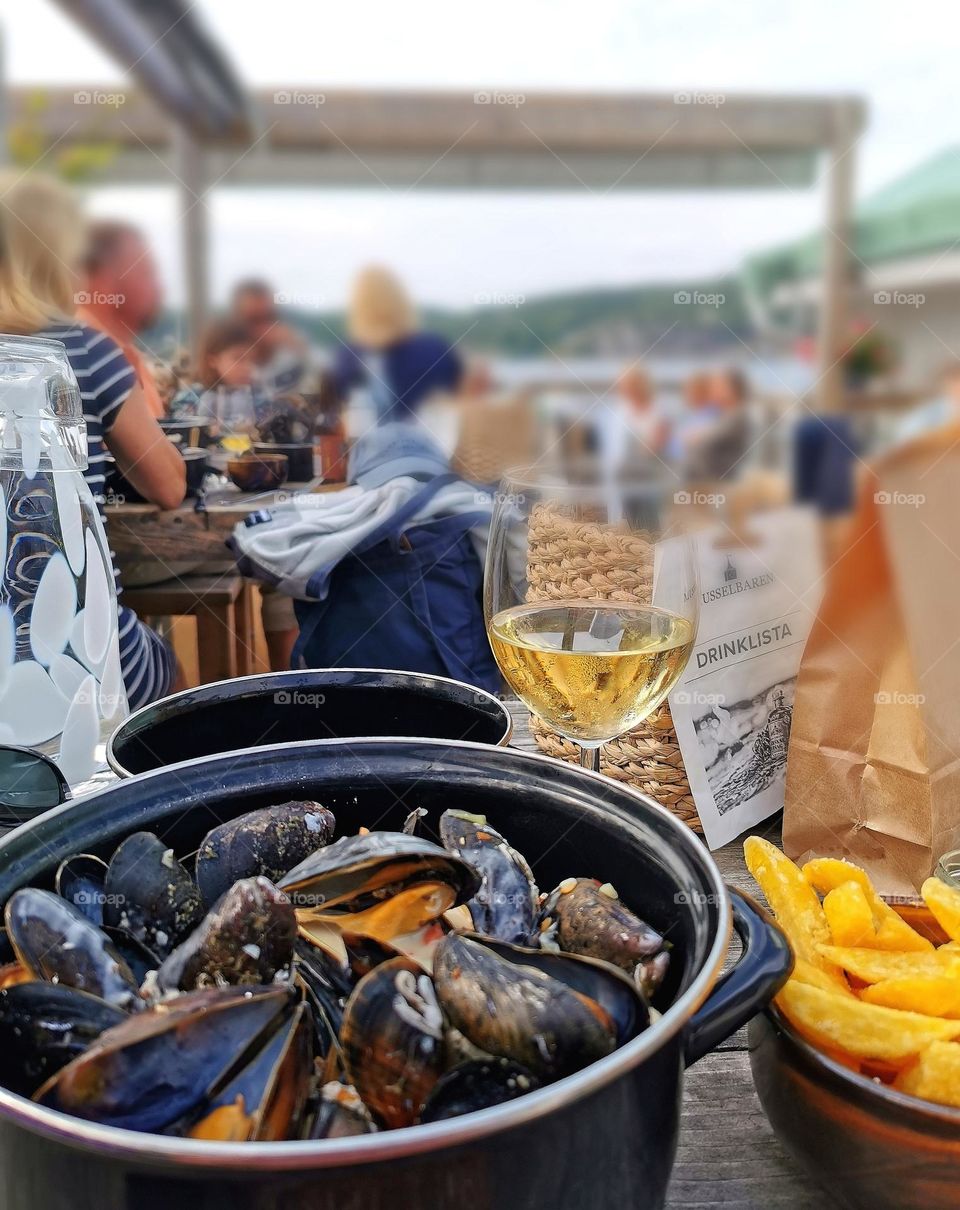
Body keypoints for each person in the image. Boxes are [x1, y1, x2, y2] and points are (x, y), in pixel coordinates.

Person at [0, 172, 186, 709]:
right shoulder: (82, 351)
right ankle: (171, 779)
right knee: (169, 670)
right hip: (82, 655)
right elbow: (169, 485)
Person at [332, 266, 464, 424]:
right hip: (433, 444)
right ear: (402, 299)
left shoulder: (346, 358)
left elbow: (338, 415)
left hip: (370, 446)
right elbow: (458, 401)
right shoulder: (435, 349)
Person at [80, 220, 166, 419]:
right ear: (104, 278)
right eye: (146, 272)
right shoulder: (89, 355)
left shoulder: (124, 354)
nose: (160, 289)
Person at [229, 279, 309, 394]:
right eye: (254, 319)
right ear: (236, 319)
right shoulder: (225, 359)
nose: (264, 326)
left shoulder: (290, 352)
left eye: (269, 317)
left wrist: (299, 350)